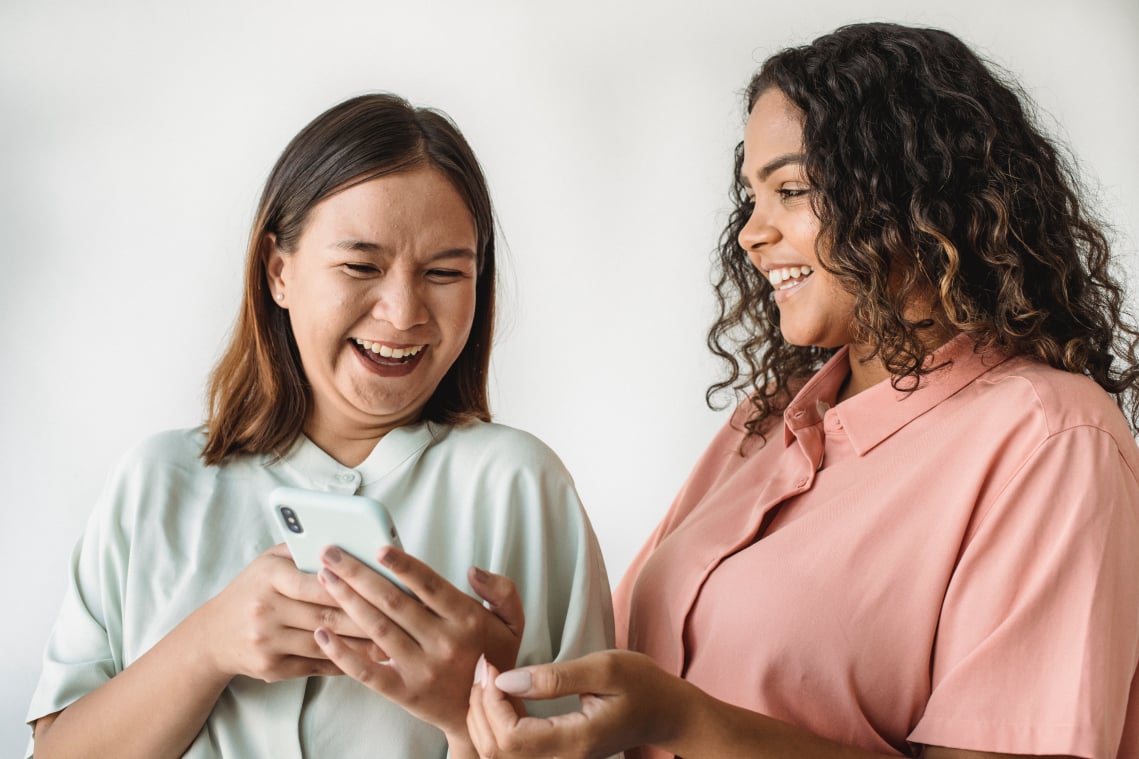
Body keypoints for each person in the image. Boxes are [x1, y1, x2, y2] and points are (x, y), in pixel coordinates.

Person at [467, 22, 1139, 759]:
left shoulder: (1050, 439)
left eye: (789, 189)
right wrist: (510, 667)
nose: (751, 234)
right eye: (750, 197)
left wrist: (685, 722)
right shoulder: (766, 420)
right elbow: (628, 673)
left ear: (913, 196)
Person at [26, 93, 614, 759]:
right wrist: (208, 644)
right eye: (360, 265)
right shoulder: (155, 482)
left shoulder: (519, 486)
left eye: (445, 272)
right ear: (278, 270)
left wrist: (465, 716)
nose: (402, 313)